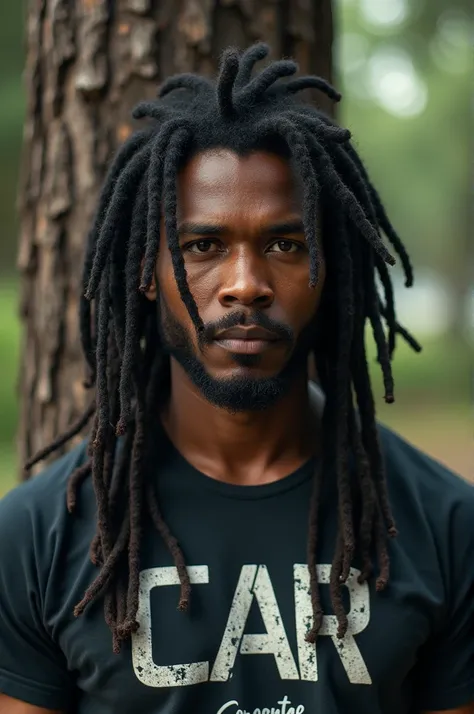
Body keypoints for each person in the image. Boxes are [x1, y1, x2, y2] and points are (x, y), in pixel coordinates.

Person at [0, 43, 472, 714]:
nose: (245, 285)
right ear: (146, 274)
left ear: (329, 270)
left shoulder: (445, 526)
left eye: (286, 245)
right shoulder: (38, 537)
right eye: (203, 246)